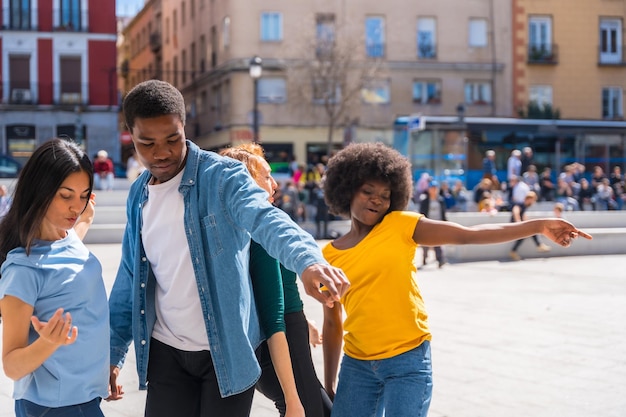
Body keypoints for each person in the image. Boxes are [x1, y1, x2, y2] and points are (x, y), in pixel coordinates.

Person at [107, 80, 349, 417]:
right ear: (130, 135)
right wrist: (112, 354)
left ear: (184, 126)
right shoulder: (138, 195)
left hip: (227, 355)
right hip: (166, 353)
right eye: (146, 143)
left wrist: (308, 261)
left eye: (172, 139)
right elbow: (130, 277)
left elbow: (266, 218)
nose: (160, 153)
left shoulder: (224, 177)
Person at [319, 143, 592, 417]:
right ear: (347, 188)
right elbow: (332, 321)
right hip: (357, 367)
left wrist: (538, 226)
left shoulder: (401, 225)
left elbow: (468, 235)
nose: (377, 200)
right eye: (368, 191)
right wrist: (330, 383)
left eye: (385, 195)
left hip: (407, 360)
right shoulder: (328, 255)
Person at [0, 138, 110, 417]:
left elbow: (71, 249)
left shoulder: (67, 238)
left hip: (86, 397)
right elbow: (11, 365)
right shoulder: (23, 270)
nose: (77, 206)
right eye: (66, 195)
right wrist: (48, 342)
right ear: (41, 191)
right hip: (51, 407)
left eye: (84, 195)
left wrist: (86, 217)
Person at [220, 144, 331, 417]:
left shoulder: (247, 228)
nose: (274, 185)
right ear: (244, 182)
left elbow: (272, 289)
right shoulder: (260, 230)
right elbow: (273, 316)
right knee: (307, 410)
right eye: (265, 177)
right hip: (280, 337)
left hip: (287, 330)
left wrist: (304, 322)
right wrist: (292, 398)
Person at [509, 191, 552, 261]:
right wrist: (518, 221)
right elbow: (515, 210)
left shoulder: (524, 206)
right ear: (529, 199)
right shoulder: (521, 204)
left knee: (530, 232)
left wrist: (527, 222)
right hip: (514, 225)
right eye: (533, 200)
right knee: (529, 232)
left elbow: (523, 215)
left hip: (518, 225)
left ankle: (514, 251)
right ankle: (539, 245)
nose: (533, 202)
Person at [418, 180, 447, 268]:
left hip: (438, 224)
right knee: (425, 243)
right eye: (432, 188)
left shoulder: (440, 200)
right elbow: (421, 212)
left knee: (438, 242)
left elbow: (443, 213)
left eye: (435, 188)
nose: (434, 190)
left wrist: (445, 223)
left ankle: (440, 259)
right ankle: (425, 257)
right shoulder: (425, 201)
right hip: (427, 224)